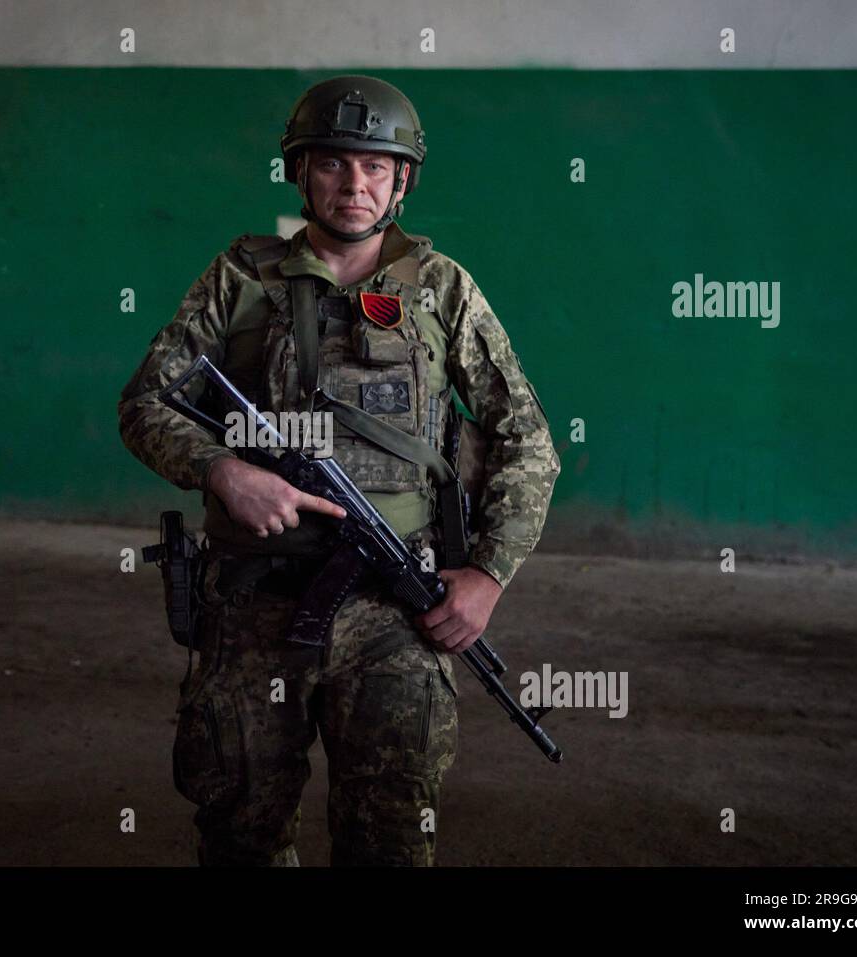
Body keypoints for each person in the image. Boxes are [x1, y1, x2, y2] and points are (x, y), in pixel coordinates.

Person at [118, 75, 560, 865]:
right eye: (332, 164)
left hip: (396, 608)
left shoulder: (442, 289)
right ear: (301, 173)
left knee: (389, 833)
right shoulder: (241, 278)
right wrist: (222, 470)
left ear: (401, 181)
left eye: (375, 168)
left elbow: (527, 440)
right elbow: (146, 402)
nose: (353, 185)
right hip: (254, 603)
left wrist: (487, 575)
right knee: (240, 826)